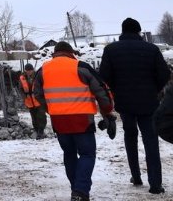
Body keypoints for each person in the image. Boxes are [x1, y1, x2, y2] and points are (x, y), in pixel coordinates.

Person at [34, 41, 114, 201]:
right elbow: (101, 91)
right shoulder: (81, 67)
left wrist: (51, 110)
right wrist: (107, 112)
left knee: (69, 154)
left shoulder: (43, 70)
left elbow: (37, 94)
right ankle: (80, 191)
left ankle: (76, 190)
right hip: (82, 119)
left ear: (54, 53)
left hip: (59, 121)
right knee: (87, 154)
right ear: (71, 53)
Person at [99, 17, 170, 194]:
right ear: (139, 31)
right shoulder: (152, 49)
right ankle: (155, 184)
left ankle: (136, 176)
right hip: (149, 103)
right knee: (150, 141)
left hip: (125, 103)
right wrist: (155, 89)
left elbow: (104, 76)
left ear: (122, 31)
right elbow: (164, 74)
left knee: (130, 138)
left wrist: (116, 89)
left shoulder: (111, 50)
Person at [19, 63, 47, 139]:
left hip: (38, 100)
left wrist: (41, 96)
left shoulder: (38, 76)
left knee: (41, 116)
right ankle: (37, 131)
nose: (29, 72)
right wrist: (25, 96)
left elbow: (43, 87)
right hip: (29, 101)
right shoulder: (22, 78)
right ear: (25, 70)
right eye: (27, 70)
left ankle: (41, 132)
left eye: (30, 70)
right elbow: (21, 89)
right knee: (34, 117)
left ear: (32, 70)